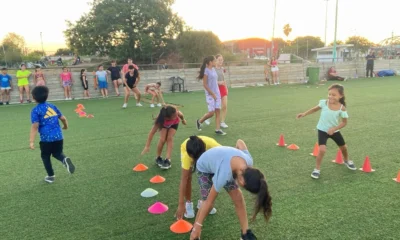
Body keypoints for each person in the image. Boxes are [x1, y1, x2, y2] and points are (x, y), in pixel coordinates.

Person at [189, 141, 272, 240]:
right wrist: (198, 226)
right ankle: (195, 231)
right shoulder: (224, 175)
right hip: (204, 167)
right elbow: (208, 201)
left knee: (238, 197)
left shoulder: (248, 162)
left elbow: (240, 142)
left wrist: (232, 152)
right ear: (242, 181)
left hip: (226, 166)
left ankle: (245, 234)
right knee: (208, 202)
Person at [296, 84, 356, 179]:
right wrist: (304, 114)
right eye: (329, 94)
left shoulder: (342, 108)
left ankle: (347, 160)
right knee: (322, 150)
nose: (331, 96)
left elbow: (344, 123)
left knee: (344, 147)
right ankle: (317, 169)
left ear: (341, 96)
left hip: (334, 131)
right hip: (322, 130)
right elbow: (315, 109)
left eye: (334, 95)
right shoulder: (324, 103)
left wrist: (334, 129)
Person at [29, 86, 76, 183]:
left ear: (33, 97)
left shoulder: (35, 110)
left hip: (46, 139)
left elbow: (35, 126)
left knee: (45, 156)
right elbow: (63, 118)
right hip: (58, 136)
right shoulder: (52, 106)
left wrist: (31, 141)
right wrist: (66, 126)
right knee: (57, 153)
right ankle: (64, 159)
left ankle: (51, 176)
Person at [175, 136, 221, 219]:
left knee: (213, 177)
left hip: (209, 155)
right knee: (188, 177)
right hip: (190, 151)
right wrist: (181, 204)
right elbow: (184, 179)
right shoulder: (187, 154)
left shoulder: (215, 148)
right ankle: (188, 203)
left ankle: (203, 202)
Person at [195, 55, 226, 135]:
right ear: (210, 62)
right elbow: (205, 84)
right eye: (215, 61)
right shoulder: (206, 71)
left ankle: (217, 129)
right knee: (211, 113)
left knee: (218, 111)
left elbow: (215, 81)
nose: (216, 62)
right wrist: (212, 94)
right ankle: (199, 121)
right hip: (210, 94)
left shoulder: (213, 69)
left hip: (217, 93)